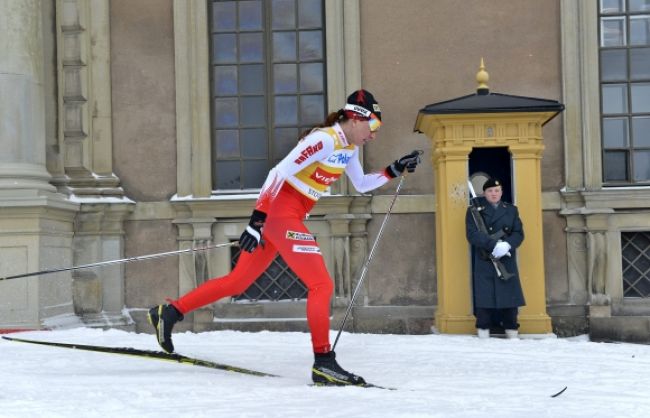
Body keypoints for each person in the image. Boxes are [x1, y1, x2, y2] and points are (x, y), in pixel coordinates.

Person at [148, 89, 421, 386]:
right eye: (374, 127)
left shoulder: (350, 149)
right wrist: (257, 220)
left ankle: (169, 312)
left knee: (237, 282)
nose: (374, 135)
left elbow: (361, 185)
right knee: (321, 284)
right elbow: (278, 173)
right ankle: (324, 363)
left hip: (287, 218)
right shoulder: (324, 139)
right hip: (280, 215)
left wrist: (393, 170)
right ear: (356, 119)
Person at [465, 177, 525, 339]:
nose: (494, 194)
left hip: (505, 259)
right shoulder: (474, 211)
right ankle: (483, 331)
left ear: (501, 192)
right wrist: (493, 245)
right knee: (485, 298)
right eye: (490, 191)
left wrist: (506, 245)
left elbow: (518, 233)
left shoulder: (511, 210)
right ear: (484, 193)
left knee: (509, 297)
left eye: (497, 191)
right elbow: (472, 234)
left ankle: (511, 331)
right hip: (485, 260)